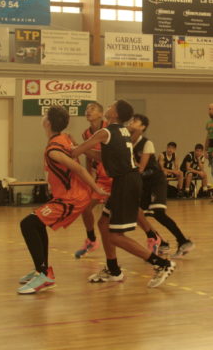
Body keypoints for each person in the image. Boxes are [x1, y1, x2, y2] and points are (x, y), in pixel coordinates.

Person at [71, 99, 176, 288]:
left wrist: (68, 146)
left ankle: (161, 264)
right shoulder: (121, 131)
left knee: (115, 236)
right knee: (103, 223)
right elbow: (102, 156)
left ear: (115, 114)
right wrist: (81, 150)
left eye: (111, 106)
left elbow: (75, 152)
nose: (108, 107)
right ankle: (113, 270)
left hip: (126, 182)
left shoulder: (105, 132)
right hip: (124, 181)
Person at [17, 106, 108, 294]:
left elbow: (79, 169)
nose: (43, 117)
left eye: (45, 115)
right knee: (36, 224)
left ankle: (44, 275)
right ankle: (42, 270)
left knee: (28, 224)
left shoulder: (54, 150)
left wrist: (96, 188)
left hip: (72, 198)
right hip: (68, 195)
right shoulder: (64, 138)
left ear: (48, 123)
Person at [129, 114, 195, 258]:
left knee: (158, 213)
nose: (131, 122)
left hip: (156, 181)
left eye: (135, 121)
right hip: (144, 183)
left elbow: (140, 169)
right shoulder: (127, 143)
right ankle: (161, 242)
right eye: (131, 120)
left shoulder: (147, 143)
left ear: (142, 127)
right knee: (138, 215)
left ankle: (183, 241)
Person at [73, 101, 112, 259]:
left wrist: (77, 147)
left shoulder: (109, 129)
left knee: (135, 214)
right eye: (87, 109)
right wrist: (88, 176)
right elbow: (88, 156)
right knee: (85, 208)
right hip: (102, 179)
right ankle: (91, 240)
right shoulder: (86, 134)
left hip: (117, 176)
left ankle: (154, 237)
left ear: (101, 114)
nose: (88, 111)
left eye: (93, 108)